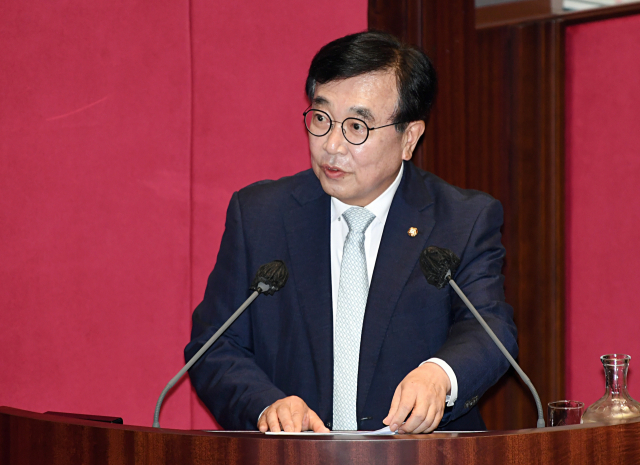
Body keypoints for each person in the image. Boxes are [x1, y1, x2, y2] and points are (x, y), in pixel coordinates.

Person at [185, 31, 518, 434]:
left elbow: (489, 329)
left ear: (409, 138)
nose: (332, 146)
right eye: (321, 119)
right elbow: (215, 345)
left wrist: (439, 375)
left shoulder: (462, 220)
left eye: (357, 126)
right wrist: (266, 406)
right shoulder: (260, 216)